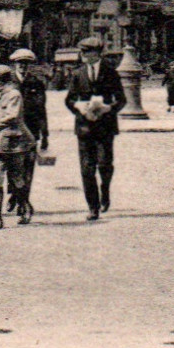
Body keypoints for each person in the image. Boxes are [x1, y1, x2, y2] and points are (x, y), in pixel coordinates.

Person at [65, 36, 125, 220]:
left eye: (86, 52)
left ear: (97, 54)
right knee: (86, 168)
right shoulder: (77, 73)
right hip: (84, 128)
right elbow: (69, 99)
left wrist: (109, 108)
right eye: (81, 51)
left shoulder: (111, 72)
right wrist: (78, 107)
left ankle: (104, 189)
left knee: (105, 164)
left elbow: (122, 100)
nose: (82, 55)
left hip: (105, 126)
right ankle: (93, 206)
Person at [0, 65, 34, 229]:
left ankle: (25, 207)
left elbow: (12, 117)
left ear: (1, 80)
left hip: (15, 143)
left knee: (17, 179)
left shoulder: (14, 95)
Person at [9, 48, 49, 215]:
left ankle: (23, 201)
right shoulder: (7, 82)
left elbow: (41, 110)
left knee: (28, 168)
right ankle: (16, 195)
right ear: (14, 64)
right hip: (11, 131)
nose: (23, 66)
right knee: (13, 167)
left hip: (31, 131)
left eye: (26, 64)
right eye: (20, 63)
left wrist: (45, 134)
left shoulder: (36, 83)